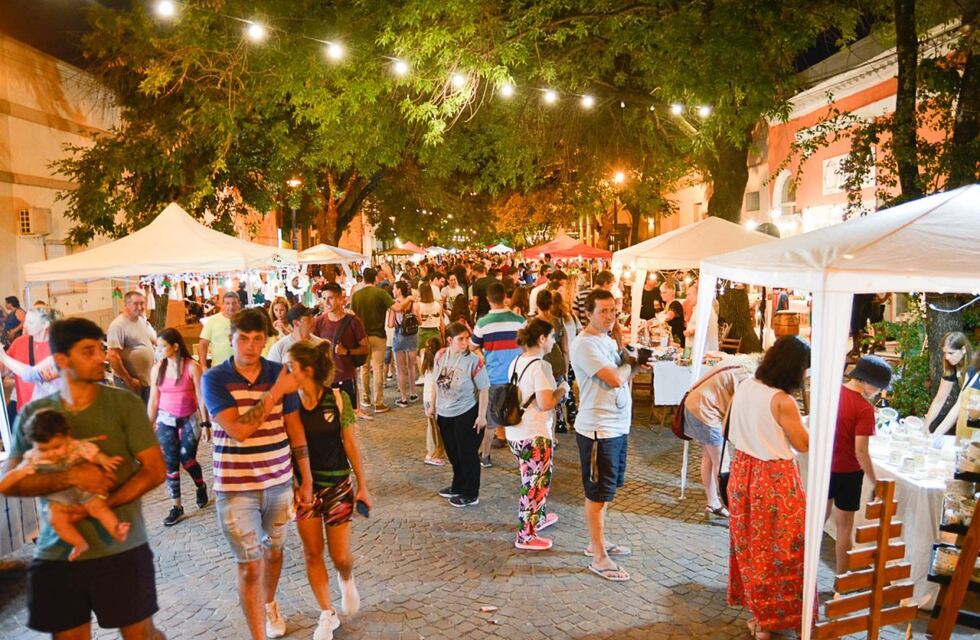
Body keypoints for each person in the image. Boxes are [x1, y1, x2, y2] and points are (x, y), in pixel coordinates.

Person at [0, 316, 166, 639]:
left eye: (100, 349)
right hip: (57, 553)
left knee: (141, 636)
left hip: (121, 549)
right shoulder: (35, 415)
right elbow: (9, 481)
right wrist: (71, 477)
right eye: (88, 351)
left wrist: (100, 504)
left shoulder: (124, 404)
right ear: (61, 360)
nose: (101, 358)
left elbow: (155, 470)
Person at [202, 308, 313, 640]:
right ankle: (257, 635)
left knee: (275, 552)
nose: (250, 346)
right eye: (243, 338)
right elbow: (238, 430)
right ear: (231, 338)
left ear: (266, 340)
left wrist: (305, 478)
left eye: (257, 339)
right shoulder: (215, 379)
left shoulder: (278, 372)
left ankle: (268, 603)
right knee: (250, 565)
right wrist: (276, 392)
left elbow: (294, 430)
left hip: (278, 483)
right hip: (236, 488)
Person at [286, 341, 371, 640]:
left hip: (337, 485)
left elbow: (350, 443)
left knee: (340, 556)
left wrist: (363, 485)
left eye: (290, 367)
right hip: (304, 493)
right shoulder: (288, 404)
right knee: (312, 553)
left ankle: (346, 577)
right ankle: (326, 613)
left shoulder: (337, 398)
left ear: (306, 370)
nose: (286, 372)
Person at [727, 335, 810, 639]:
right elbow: (802, 443)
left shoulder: (747, 384)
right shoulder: (782, 401)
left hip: (743, 470)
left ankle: (758, 615)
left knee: (750, 546)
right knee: (784, 550)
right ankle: (768, 622)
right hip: (773, 479)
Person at [570, 289, 645, 582]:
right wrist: (631, 365)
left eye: (613, 310)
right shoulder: (584, 344)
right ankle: (599, 556)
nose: (610, 316)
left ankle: (596, 541)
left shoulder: (607, 340)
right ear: (587, 313)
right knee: (598, 493)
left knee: (608, 490)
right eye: (603, 311)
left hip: (616, 427)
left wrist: (634, 365)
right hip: (598, 429)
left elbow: (622, 375)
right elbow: (614, 378)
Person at [0, 408, 131, 561]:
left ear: (67, 437)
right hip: (58, 499)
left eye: (57, 447)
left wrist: (105, 461)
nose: (51, 453)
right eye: (43, 449)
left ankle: (116, 530)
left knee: (99, 508)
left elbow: (94, 454)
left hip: (84, 491)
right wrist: (13, 477)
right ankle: (79, 543)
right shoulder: (33, 458)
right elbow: (13, 476)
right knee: (55, 518)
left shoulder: (76, 446)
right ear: (34, 445)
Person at [506, 318, 569, 551]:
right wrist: (562, 389)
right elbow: (545, 402)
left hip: (516, 431)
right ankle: (526, 535)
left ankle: (538, 518)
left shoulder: (516, 361)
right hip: (535, 433)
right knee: (534, 485)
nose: (554, 342)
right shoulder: (541, 366)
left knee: (531, 479)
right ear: (542, 339)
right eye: (552, 337)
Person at [826, 355, 891, 574]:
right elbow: (861, 452)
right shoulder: (864, 409)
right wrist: (876, 480)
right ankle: (842, 583)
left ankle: (799, 569)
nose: (879, 392)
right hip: (848, 472)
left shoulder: (832, 394)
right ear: (867, 381)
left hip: (826, 466)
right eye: (879, 387)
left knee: (816, 522)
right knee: (844, 528)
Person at [147, 328, 210, 527]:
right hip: (166, 420)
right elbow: (153, 400)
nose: (158, 350)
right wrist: (147, 426)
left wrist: (206, 424)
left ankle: (201, 486)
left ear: (175, 347)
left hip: (189, 420)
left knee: (187, 460)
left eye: (162, 346)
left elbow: (201, 397)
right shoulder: (157, 369)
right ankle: (177, 506)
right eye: (157, 346)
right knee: (170, 462)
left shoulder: (192, 367)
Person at [683, 355, 758, 517]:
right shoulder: (747, 376)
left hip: (696, 405)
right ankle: (733, 509)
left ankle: (713, 502)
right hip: (706, 411)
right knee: (722, 463)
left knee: (709, 457)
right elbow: (740, 407)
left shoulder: (741, 361)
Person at [426, 322, 490, 508]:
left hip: (466, 411)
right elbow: (435, 382)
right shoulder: (440, 356)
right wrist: (433, 405)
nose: (465, 342)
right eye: (460, 339)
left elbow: (484, 388)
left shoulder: (473, 360)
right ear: (449, 340)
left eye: (466, 338)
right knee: (453, 453)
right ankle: (458, 485)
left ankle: (471, 492)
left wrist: (481, 416)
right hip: (445, 413)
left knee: (467, 453)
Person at [470, 282, 525, 466]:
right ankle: (523, 458)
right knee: (517, 418)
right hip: (516, 377)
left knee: (490, 420)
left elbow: (472, 347)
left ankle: (484, 455)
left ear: (488, 299)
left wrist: (480, 353)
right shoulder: (519, 321)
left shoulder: (483, 323)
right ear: (505, 298)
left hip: (493, 376)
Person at [351, 268, 408, 414]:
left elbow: (351, 315)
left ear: (363, 279)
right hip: (378, 336)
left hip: (361, 337)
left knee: (364, 369)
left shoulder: (356, 295)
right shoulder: (380, 293)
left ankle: (365, 398)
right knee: (377, 368)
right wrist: (409, 299)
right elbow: (398, 307)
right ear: (375, 278)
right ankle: (379, 402)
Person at [314, 283, 370, 418]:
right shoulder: (319, 322)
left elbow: (365, 348)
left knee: (349, 417)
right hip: (326, 380)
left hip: (346, 377)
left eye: (331, 298)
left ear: (340, 299)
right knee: (329, 418)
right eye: (324, 298)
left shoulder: (353, 322)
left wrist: (347, 351)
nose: (326, 302)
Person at [0, 306, 58, 418]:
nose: (25, 325)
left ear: (45, 324)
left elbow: (34, 375)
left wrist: (2, 355)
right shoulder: (19, 343)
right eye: (25, 321)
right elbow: (4, 370)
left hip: (50, 416)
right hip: (24, 412)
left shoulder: (58, 348)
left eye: (30, 322)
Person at [106, 291, 158, 403]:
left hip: (146, 381)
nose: (140, 307)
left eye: (142, 303)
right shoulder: (118, 326)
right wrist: (128, 380)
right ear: (126, 304)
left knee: (146, 416)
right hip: (130, 383)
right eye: (135, 304)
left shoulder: (141, 321)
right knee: (133, 416)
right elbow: (112, 356)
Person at [535, 290, 570, 434]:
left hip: (540, 363)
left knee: (540, 400)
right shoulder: (559, 322)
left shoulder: (532, 323)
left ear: (537, 303)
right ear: (551, 304)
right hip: (556, 363)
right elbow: (566, 349)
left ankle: (540, 430)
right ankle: (552, 435)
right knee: (554, 401)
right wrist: (566, 370)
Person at [925, 331, 973, 435]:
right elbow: (939, 399)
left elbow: (959, 404)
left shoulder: (973, 367)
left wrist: (936, 435)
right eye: (945, 353)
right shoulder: (952, 365)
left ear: (963, 350)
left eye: (951, 353)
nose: (947, 357)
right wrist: (925, 427)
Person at [389, 280, 419, 408]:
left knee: (401, 369)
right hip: (412, 336)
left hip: (399, 336)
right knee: (411, 366)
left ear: (399, 290)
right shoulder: (414, 303)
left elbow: (390, 324)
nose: (393, 291)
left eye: (394, 289)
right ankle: (413, 393)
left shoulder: (394, 305)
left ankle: (403, 398)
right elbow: (420, 321)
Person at [419, 337, 448, 466]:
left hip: (427, 400)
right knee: (435, 430)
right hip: (434, 401)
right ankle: (432, 454)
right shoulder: (438, 365)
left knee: (433, 428)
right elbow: (436, 386)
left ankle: (435, 452)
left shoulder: (426, 363)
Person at [197, 291, 241, 370]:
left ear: (239, 304)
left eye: (234, 303)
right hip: (219, 369)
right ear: (223, 305)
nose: (231, 306)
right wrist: (203, 366)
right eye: (227, 303)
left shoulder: (246, 320)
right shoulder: (212, 320)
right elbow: (203, 344)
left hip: (242, 369)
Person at [416, 278, 444, 346]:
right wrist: (443, 336)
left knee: (421, 355)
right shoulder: (437, 304)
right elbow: (441, 321)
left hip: (421, 333)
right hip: (435, 333)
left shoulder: (417, 305)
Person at [658, 281, 686, 347]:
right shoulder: (667, 305)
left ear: (672, 293)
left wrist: (660, 319)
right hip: (669, 340)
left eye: (664, 292)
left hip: (677, 340)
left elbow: (669, 316)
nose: (662, 294)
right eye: (661, 292)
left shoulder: (675, 304)